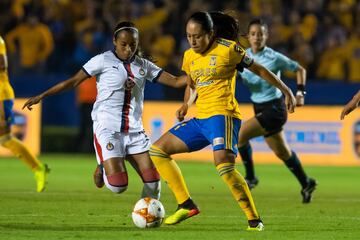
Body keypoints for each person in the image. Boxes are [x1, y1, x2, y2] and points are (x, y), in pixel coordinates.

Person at [149, 11, 297, 231]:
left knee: (224, 166)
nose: (193, 41)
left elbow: (259, 69)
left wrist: (286, 90)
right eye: (189, 36)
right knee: (157, 150)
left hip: (223, 116)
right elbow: (192, 84)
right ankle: (186, 204)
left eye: (198, 36)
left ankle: (254, 220)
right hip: (200, 120)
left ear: (210, 33)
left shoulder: (229, 49)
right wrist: (186, 105)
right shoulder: (189, 56)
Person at [23, 21, 188, 200]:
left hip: (135, 130)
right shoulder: (102, 60)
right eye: (123, 44)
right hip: (107, 128)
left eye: (132, 44)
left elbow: (177, 81)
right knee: (119, 186)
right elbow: (72, 81)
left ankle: (147, 215)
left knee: (153, 181)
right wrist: (42, 95)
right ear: (115, 42)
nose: (128, 49)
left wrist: (202, 73)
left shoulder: (144, 65)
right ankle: (103, 166)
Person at [237, 19, 317, 203]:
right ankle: (306, 182)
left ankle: (250, 177)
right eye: (254, 34)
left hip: (275, 108)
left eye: (261, 33)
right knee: (283, 153)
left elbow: (300, 69)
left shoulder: (274, 57)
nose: (257, 37)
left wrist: (300, 93)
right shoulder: (243, 57)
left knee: (240, 135)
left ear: (267, 36)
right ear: (248, 37)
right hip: (259, 107)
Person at [0, 35, 49, 192]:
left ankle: (38, 168)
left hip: (1, 94)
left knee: (5, 138)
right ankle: (38, 168)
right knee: (5, 139)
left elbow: (1, 64)